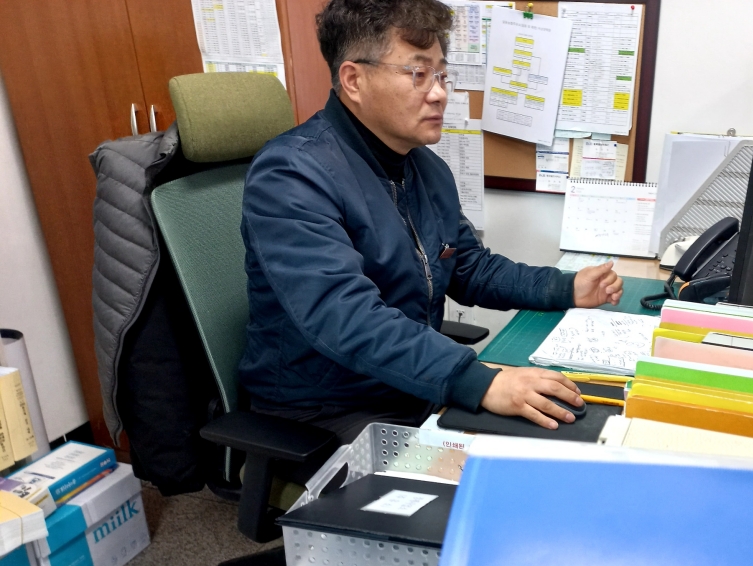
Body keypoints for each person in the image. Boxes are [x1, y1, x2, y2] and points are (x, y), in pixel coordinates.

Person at [239, 0, 623, 441]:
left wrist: (563, 288)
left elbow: (469, 267)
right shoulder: (291, 173)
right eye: (418, 73)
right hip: (326, 410)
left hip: (410, 385)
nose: (439, 93)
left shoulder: (425, 168)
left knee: (578, 431)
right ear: (353, 80)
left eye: (441, 75)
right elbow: (344, 316)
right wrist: (479, 381)